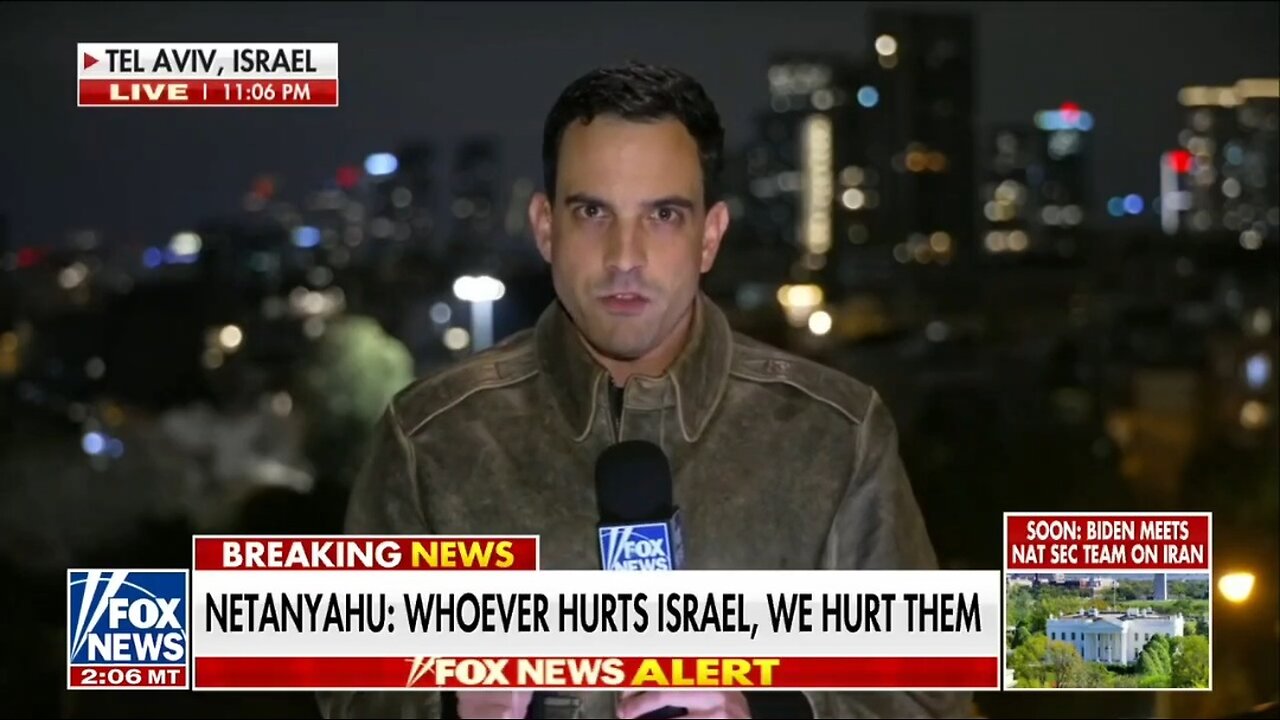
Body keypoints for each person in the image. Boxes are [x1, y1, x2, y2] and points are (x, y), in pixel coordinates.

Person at [317, 61, 971, 720]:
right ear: (545, 228)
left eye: (662, 214)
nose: (624, 256)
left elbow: (929, 701)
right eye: (592, 211)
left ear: (709, 237)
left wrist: (765, 710)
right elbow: (352, 694)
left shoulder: (838, 435)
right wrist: (450, 708)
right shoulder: (428, 442)